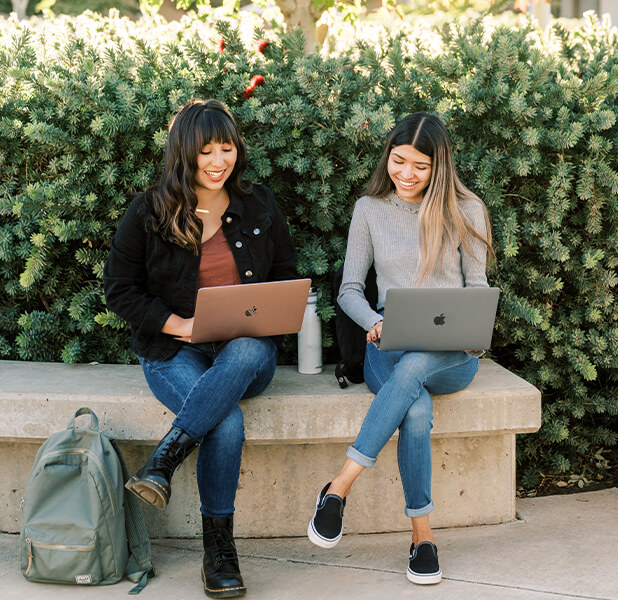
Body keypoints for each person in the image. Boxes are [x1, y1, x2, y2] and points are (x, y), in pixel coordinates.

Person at [104, 99, 298, 599]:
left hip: (244, 353)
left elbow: (283, 275)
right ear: (183, 154)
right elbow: (119, 289)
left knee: (250, 351)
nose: (217, 161)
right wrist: (179, 325)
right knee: (226, 420)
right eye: (205, 150)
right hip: (174, 351)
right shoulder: (150, 211)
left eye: (226, 148)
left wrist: (265, 314)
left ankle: (164, 460)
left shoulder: (259, 204)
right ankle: (219, 549)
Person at [307, 112, 493, 585]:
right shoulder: (369, 210)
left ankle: (339, 486)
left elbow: (478, 287)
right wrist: (373, 322)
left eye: (420, 166)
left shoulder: (467, 212)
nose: (406, 174)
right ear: (388, 157)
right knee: (414, 406)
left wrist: (471, 330)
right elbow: (349, 289)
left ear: (440, 167)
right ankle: (422, 538)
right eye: (398, 161)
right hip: (385, 350)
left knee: (416, 367)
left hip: (451, 359)